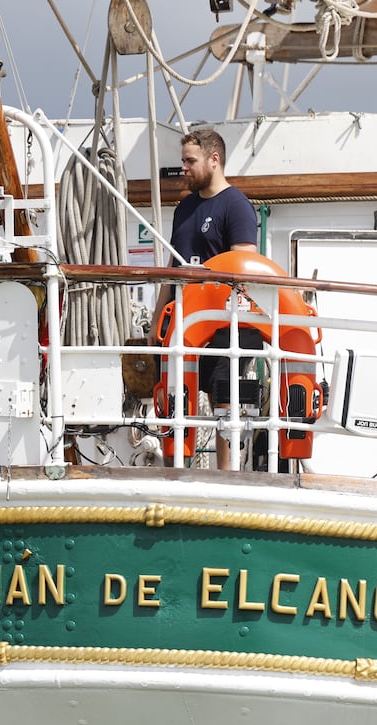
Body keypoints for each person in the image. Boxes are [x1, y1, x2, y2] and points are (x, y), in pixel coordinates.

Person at [152, 129, 259, 470]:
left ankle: (226, 473)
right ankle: (177, 469)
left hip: (225, 322)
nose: (183, 167)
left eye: (190, 161)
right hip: (183, 320)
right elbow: (174, 267)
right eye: (183, 160)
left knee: (223, 394)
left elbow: (244, 265)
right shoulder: (184, 208)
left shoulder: (237, 206)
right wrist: (158, 320)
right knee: (176, 395)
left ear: (215, 160)